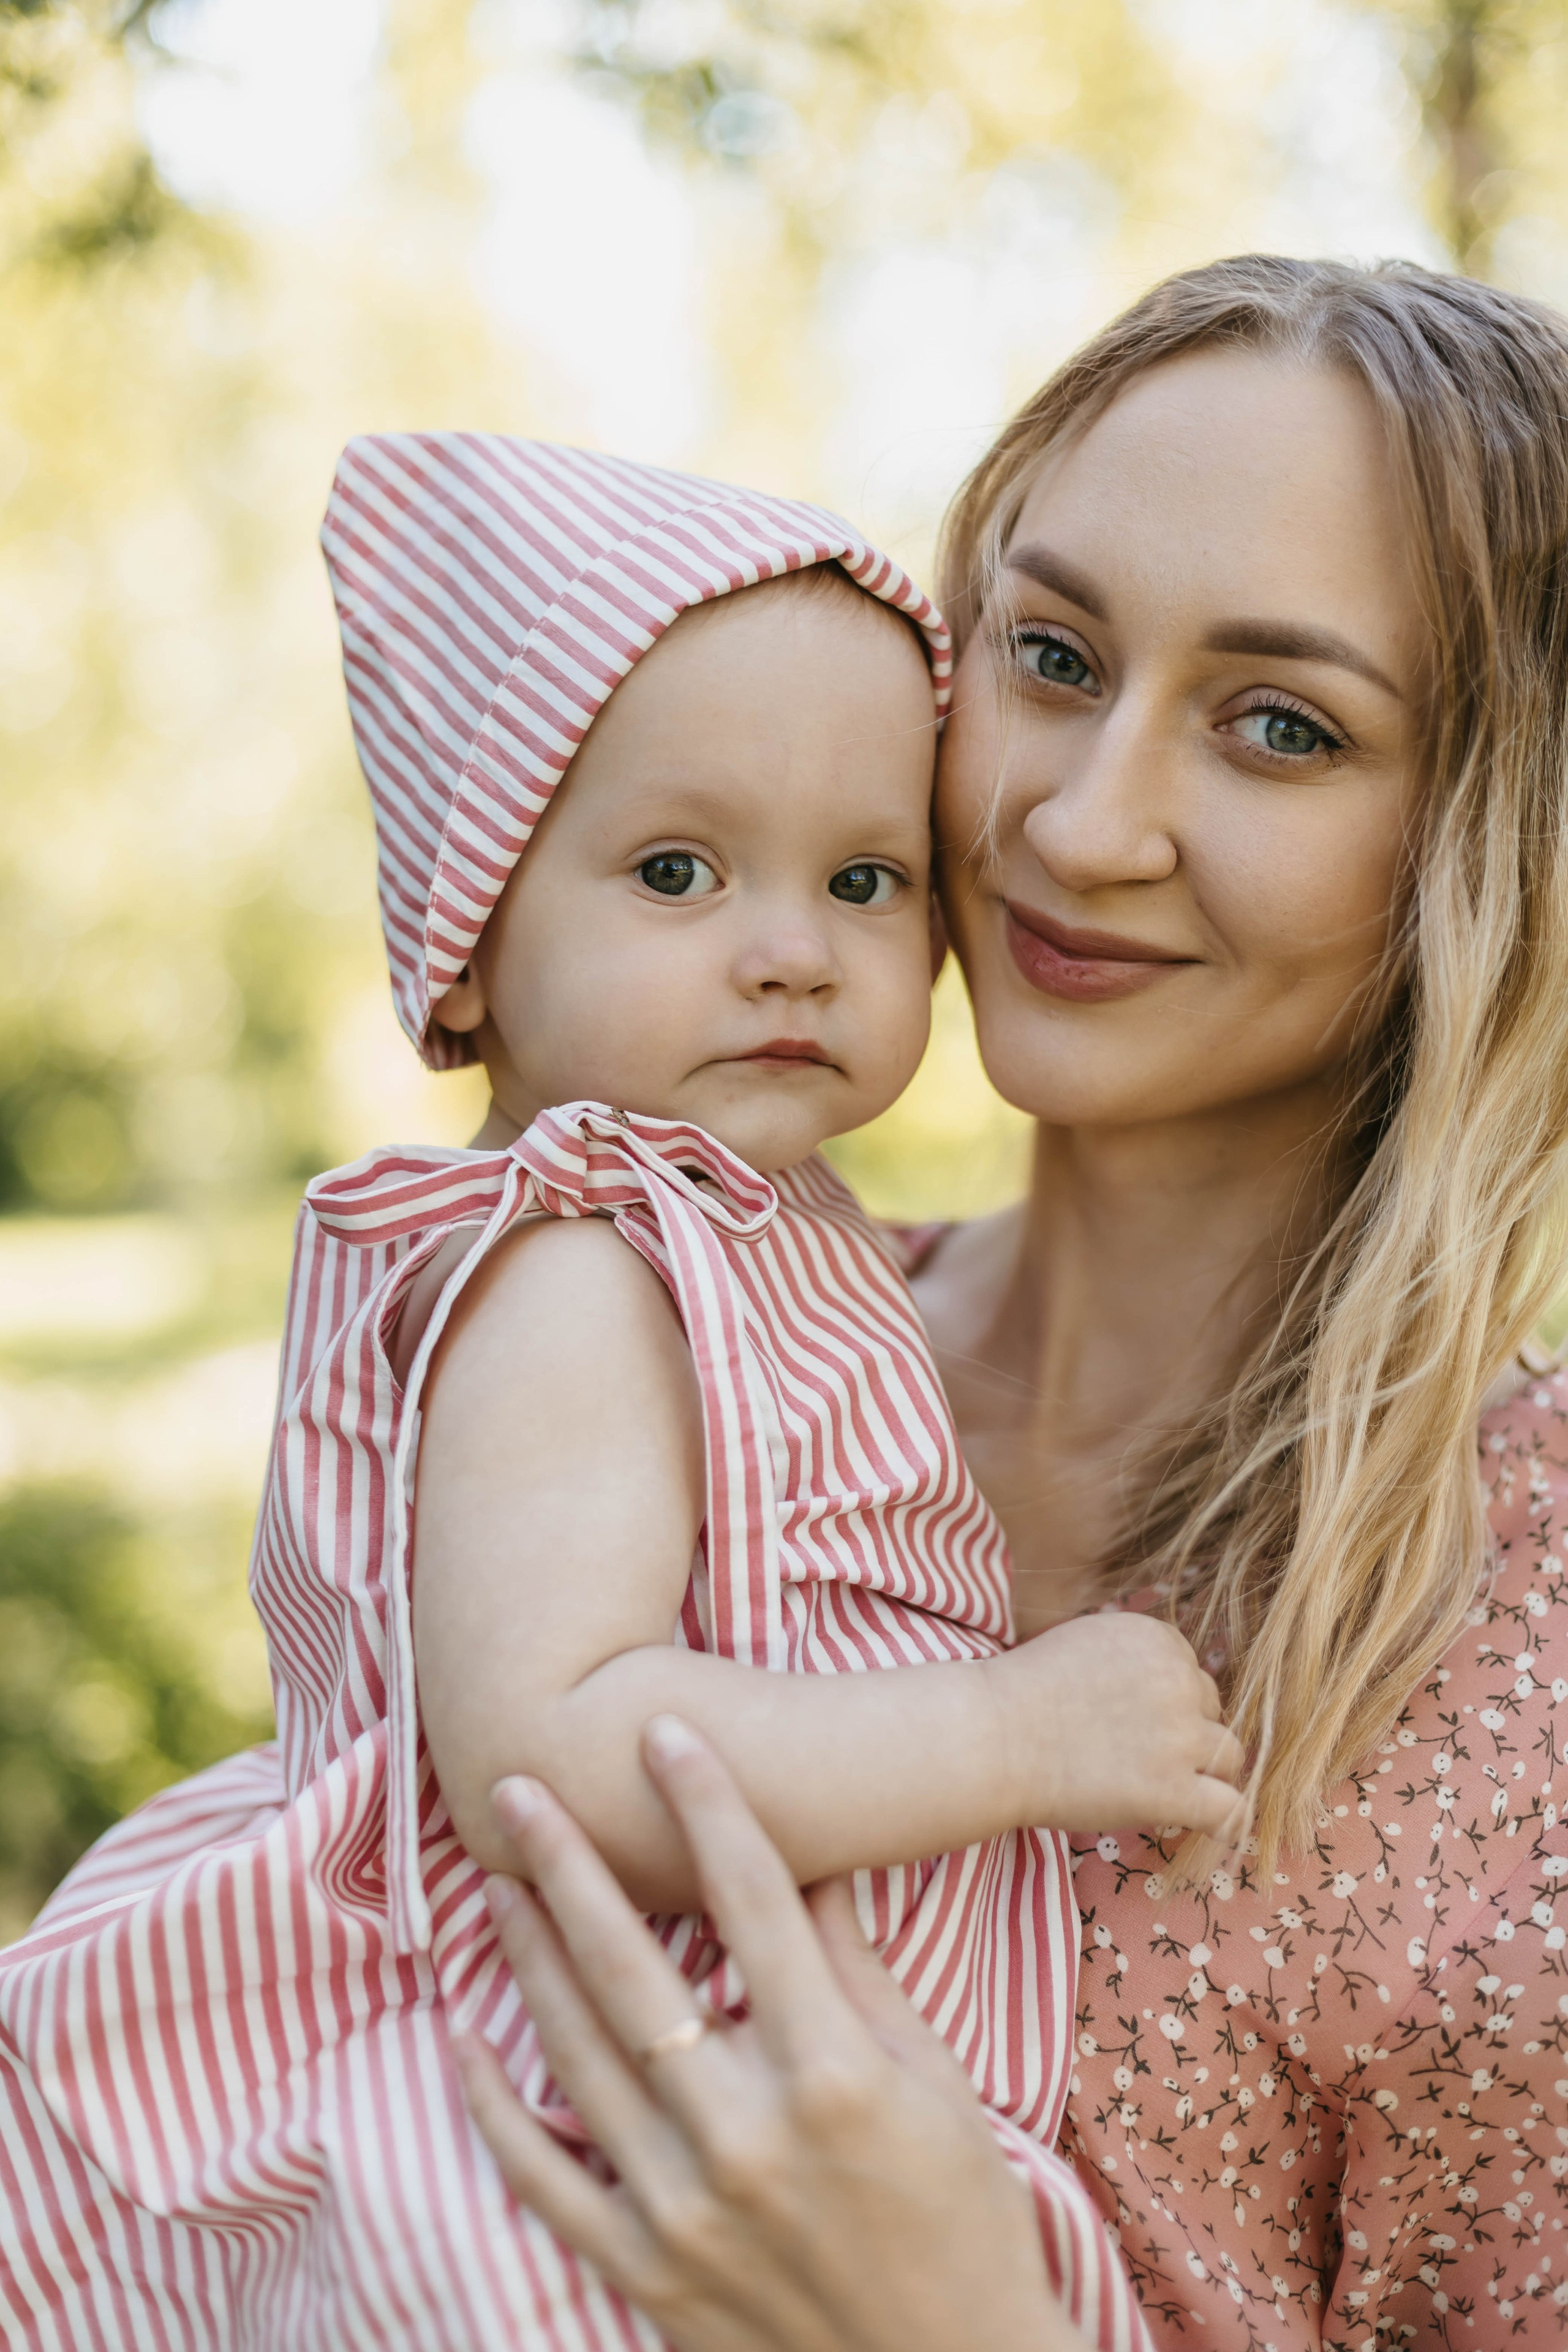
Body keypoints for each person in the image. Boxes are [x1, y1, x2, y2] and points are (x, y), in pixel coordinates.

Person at [0, 436, 1237, 2350]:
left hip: (803, 2132)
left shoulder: (772, 1237)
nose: (791, 951)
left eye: (864, 878)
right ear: (473, 949)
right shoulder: (581, 1269)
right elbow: (556, 1751)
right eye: (678, 870)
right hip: (580, 2155)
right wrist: (1016, 1735)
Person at [461, 256, 1568, 2348]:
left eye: (1279, 725)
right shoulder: (665, 1339)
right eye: (1052, 654)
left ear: (1487, 845)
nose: (1078, 819)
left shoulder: (1527, 1634)